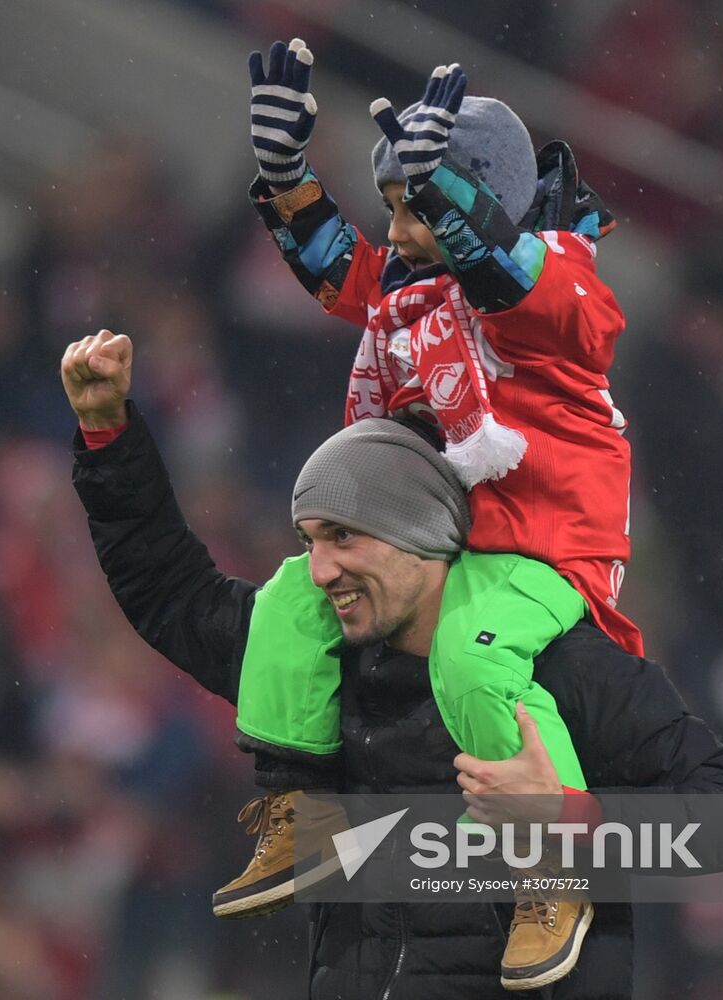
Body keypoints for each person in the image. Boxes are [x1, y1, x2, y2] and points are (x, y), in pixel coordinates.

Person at [61, 331, 723, 999]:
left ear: (422, 533)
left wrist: (569, 817)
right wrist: (107, 434)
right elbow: (170, 595)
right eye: (310, 540)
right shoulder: (317, 664)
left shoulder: (559, 665)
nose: (320, 569)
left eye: (344, 538)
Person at [231, 38, 640, 984]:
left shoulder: (561, 279)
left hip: (549, 551)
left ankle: (554, 867)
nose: (402, 232)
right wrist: (288, 178)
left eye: (416, 207)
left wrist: (453, 207)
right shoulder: (419, 292)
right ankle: (296, 809)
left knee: (470, 659)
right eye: (399, 207)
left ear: (482, 199)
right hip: (453, 546)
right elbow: (345, 273)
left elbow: (525, 287)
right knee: (291, 598)